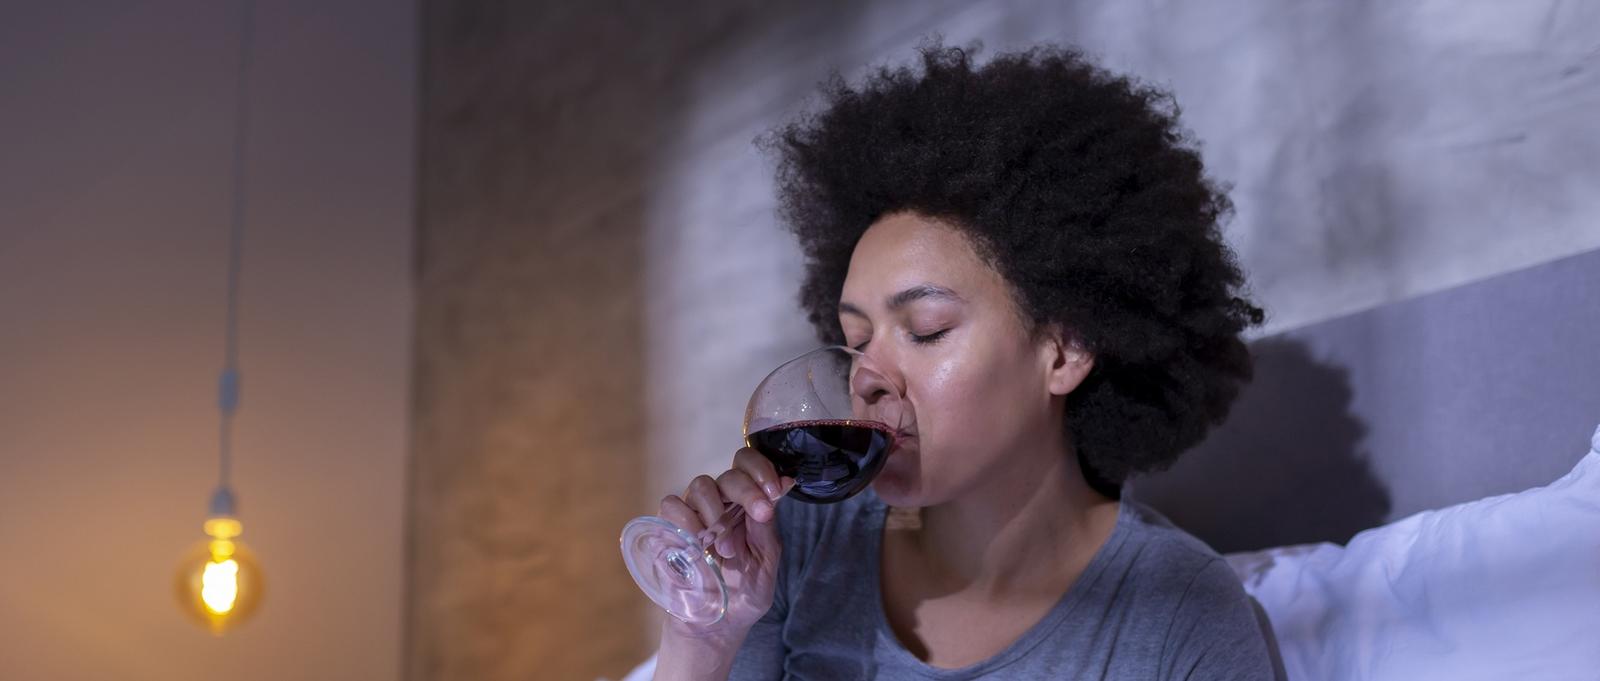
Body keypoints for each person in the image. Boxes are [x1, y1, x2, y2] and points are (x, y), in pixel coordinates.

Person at [651, 41, 1277, 680]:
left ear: (1066, 350)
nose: (867, 377)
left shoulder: (1178, 612)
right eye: (856, 340)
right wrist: (704, 637)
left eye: (926, 330)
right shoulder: (803, 545)